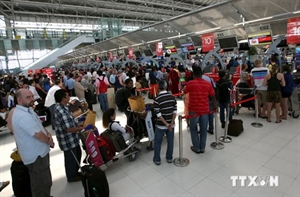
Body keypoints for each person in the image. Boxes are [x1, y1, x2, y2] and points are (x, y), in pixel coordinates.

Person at [12, 89, 54, 197]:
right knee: (41, 185)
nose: (32, 99)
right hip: (36, 157)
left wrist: (48, 134)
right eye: (28, 97)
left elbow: (39, 125)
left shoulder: (28, 110)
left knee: (45, 182)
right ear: (19, 100)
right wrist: (49, 142)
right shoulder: (22, 116)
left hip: (40, 154)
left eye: (32, 96)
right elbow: (38, 135)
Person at [184, 66, 217, 154]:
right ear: (202, 74)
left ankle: (196, 148)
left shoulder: (190, 83)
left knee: (193, 128)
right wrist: (214, 104)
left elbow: (184, 91)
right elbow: (213, 95)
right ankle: (202, 148)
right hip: (205, 110)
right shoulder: (207, 83)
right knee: (203, 129)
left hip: (193, 110)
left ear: (193, 74)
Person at [53, 89, 83, 182]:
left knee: (77, 154)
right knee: (71, 159)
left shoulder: (62, 107)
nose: (69, 97)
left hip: (73, 138)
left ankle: (75, 172)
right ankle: (71, 176)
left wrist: (77, 125)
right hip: (68, 140)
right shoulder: (61, 111)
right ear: (63, 98)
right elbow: (68, 129)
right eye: (67, 95)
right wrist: (81, 128)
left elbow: (70, 121)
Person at [153, 80, 177, 165]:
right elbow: (175, 111)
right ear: (166, 87)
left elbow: (158, 114)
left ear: (158, 87)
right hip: (171, 125)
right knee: (170, 141)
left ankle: (157, 159)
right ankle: (169, 158)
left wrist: (166, 124)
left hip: (160, 125)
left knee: (157, 142)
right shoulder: (172, 97)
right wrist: (171, 123)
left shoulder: (157, 99)